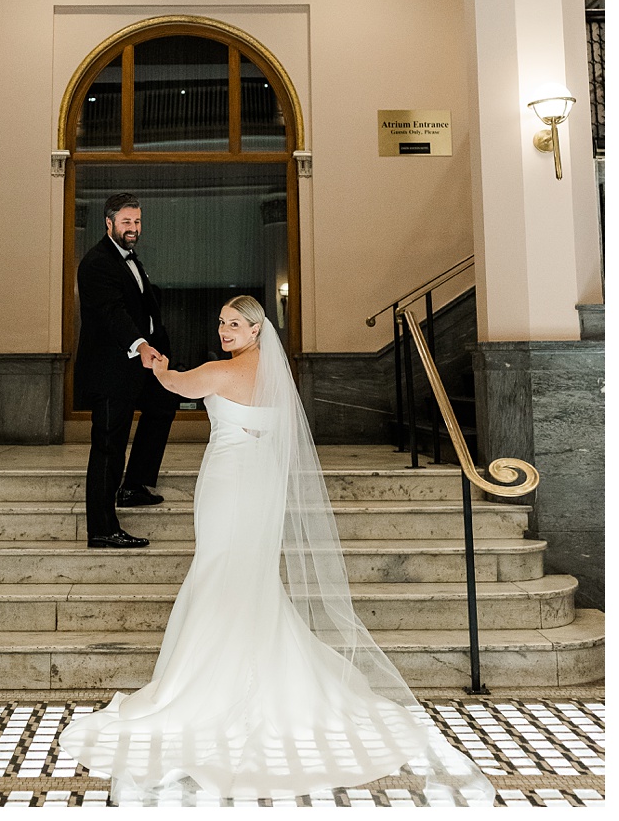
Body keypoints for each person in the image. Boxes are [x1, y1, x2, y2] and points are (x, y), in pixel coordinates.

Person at [60, 296, 496, 806]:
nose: (225, 330)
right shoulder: (275, 376)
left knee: (220, 566)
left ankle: (209, 682)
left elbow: (176, 384)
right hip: (263, 482)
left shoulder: (219, 373)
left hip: (227, 483)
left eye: (236, 324)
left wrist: (153, 360)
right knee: (250, 573)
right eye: (221, 322)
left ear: (255, 329)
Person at [74, 192, 179, 549]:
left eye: (137, 221)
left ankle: (133, 486)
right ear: (109, 224)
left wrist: (158, 344)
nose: (133, 228)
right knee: (108, 444)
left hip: (141, 363)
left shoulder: (129, 257)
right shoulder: (96, 263)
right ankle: (102, 529)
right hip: (111, 368)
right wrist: (141, 344)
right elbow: (111, 314)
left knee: (163, 405)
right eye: (126, 222)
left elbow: (143, 306)